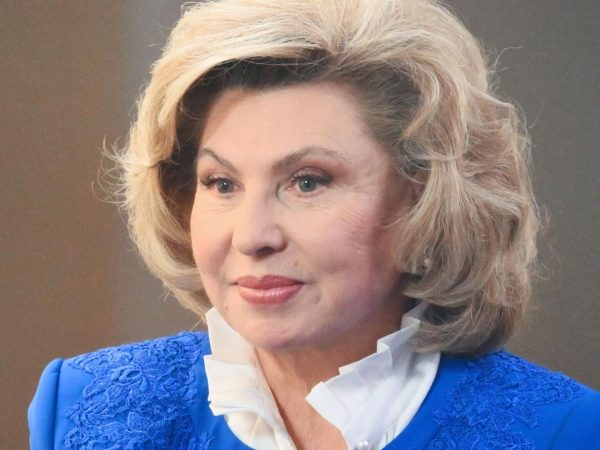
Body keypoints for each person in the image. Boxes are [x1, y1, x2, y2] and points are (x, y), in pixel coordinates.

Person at [28, 0, 600, 449]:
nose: (252, 236)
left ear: (424, 199)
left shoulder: (565, 431)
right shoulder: (83, 408)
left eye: (307, 182)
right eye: (221, 184)